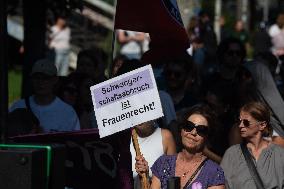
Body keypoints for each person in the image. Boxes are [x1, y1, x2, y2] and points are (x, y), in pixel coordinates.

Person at [135, 105, 225, 189]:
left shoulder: (213, 172)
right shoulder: (163, 163)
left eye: (201, 130)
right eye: (189, 126)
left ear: (207, 137)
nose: (193, 133)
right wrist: (145, 178)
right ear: (181, 130)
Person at [221, 101, 284, 189]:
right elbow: (221, 184)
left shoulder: (279, 154)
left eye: (246, 122)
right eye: (239, 121)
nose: (240, 125)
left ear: (262, 125)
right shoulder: (232, 154)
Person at [9, 59, 80, 133]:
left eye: (45, 78)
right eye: (37, 78)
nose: (40, 82)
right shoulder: (18, 106)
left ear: (55, 80)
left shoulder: (68, 112)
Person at [130, 120, 176, 189]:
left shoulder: (165, 136)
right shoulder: (126, 142)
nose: (139, 118)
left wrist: (148, 177)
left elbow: (174, 175)